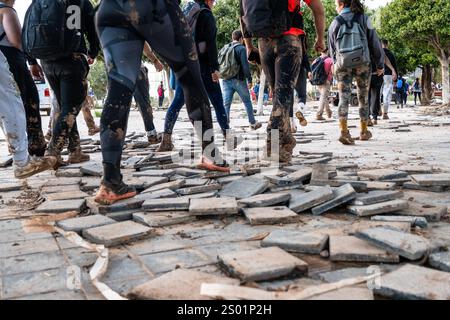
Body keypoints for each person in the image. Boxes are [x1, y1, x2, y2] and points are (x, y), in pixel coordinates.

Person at [95, 0, 229, 204]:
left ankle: (110, 181)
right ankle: (210, 153)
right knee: (191, 79)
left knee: (118, 87)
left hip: (109, 9)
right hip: (153, 7)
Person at [241, 0, 326, 163]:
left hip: (263, 42)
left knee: (279, 98)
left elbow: (242, 13)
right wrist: (320, 39)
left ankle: (286, 139)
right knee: (282, 98)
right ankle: (271, 147)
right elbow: (318, 9)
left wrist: (248, 46)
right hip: (289, 40)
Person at [158, 0, 237, 153]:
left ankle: (166, 140)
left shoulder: (185, 11)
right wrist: (215, 68)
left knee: (178, 101)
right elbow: (211, 44)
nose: (213, 3)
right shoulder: (206, 14)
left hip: (185, 66)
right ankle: (228, 136)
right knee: (217, 100)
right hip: (204, 66)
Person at [33, 0, 100, 168]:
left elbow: (30, 27)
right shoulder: (80, 2)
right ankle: (52, 152)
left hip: (47, 60)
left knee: (65, 105)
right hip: (72, 57)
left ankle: (75, 150)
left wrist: (31, 60)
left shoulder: (41, 2)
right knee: (71, 107)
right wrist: (93, 52)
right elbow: (93, 30)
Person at [328, 0, 384, 145]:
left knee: (343, 98)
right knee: (363, 98)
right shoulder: (365, 19)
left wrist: (335, 64)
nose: (335, 7)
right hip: (363, 64)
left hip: (342, 65)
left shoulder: (335, 22)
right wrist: (380, 64)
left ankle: (344, 131)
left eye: (336, 4)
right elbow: (375, 43)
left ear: (341, 4)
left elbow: (332, 47)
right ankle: (364, 131)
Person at [0, 0, 47, 157]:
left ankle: (15, 147)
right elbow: (17, 42)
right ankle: (34, 149)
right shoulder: (6, 10)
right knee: (28, 102)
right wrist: (32, 61)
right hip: (12, 63)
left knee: (5, 108)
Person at [220, 30, 262, 130]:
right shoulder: (241, 49)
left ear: (232, 38)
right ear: (241, 39)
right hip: (238, 80)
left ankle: (225, 125)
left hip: (225, 79)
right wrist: (249, 80)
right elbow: (245, 66)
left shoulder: (225, 47)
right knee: (247, 102)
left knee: (226, 103)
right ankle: (252, 123)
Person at [135, 43, 165, 144]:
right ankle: (151, 134)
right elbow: (143, 44)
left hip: (115, 69)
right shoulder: (133, 26)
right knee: (143, 104)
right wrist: (155, 60)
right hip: (135, 67)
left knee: (118, 105)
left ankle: (113, 139)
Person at [369, 45, 396, 125]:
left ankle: (370, 117)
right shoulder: (376, 45)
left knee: (371, 96)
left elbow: (384, 58)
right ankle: (374, 117)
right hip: (375, 74)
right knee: (375, 96)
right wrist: (392, 69)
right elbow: (384, 58)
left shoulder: (363, 44)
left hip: (372, 75)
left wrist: (392, 69)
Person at [315, 48, 333, 121]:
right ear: (328, 51)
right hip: (326, 81)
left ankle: (328, 112)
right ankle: (319, 114)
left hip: (318, 81)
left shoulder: (316, 60)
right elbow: (333, 71)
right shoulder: (330, 60)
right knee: (323, 97)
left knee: (324, 97)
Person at [381, 39, 398, 119]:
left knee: (377, 94)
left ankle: (376, 111)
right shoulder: (391, 54)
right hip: (388, 76)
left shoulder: (377, 53)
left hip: (378, 74)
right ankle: (385, 113)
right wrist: (395, 80)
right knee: (386, 94)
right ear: (387, 44)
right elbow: (394, 67)